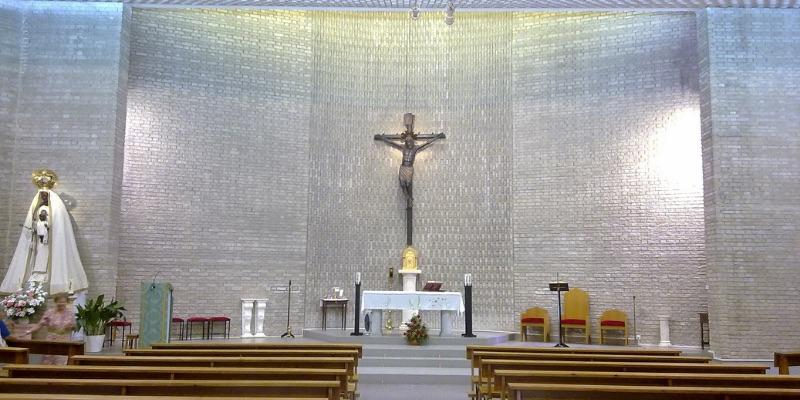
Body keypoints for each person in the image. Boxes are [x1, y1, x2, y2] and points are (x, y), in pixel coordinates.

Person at [26, 293, 75, 364]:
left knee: (61, 360)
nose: (61, 304)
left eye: (63, 302)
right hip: (51, 339)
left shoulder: (70, 313)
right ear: (56, 302)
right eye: (60, 302)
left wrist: (70, 327)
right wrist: (29, 331)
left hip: (64, 340)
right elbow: (40, 324)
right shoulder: (49, 312)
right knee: (48, 360)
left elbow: (74, 326)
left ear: (66, 302)